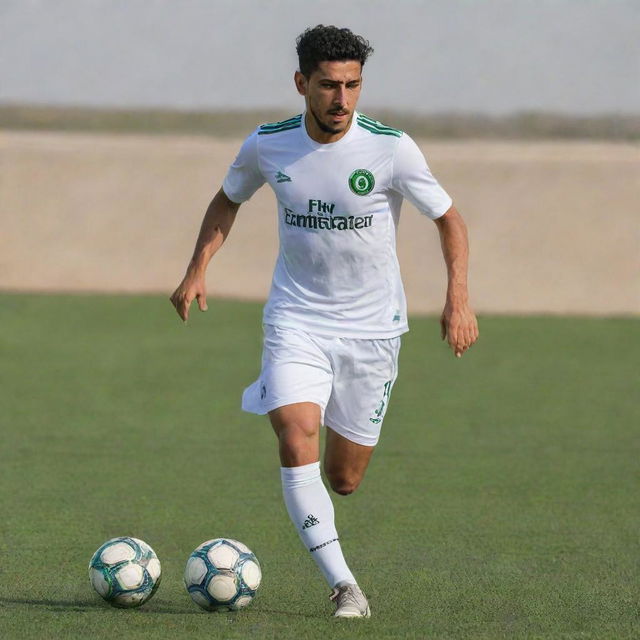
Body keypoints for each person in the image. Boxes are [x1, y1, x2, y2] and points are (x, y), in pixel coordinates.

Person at [170, 24, 478, 618]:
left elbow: (450, 219)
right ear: (301, 84)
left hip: (372, 331)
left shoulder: (391, 148)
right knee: (294, 434)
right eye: (329, 85)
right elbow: (227, 199)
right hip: (297, 319)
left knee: (343, 478)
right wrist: (197, 269)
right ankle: (345, 587)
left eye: (352, 85)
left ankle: (337, 529)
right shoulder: (269, 144)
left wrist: (457, 298)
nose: (342, 99)